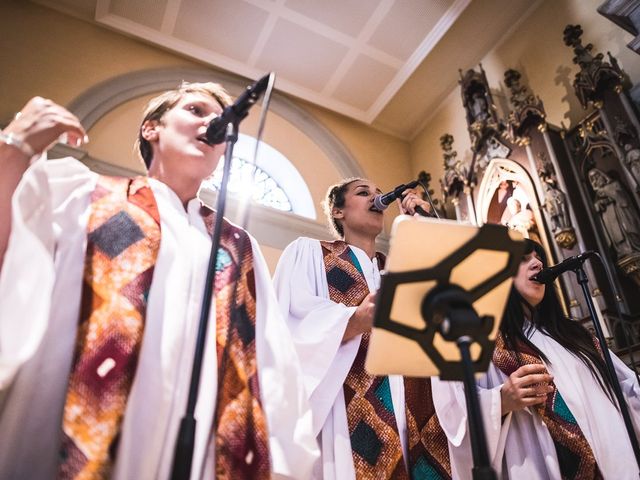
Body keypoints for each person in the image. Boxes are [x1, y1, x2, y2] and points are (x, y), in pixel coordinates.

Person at [0, 85, 318, 479]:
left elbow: (271, 363)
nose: (212, 121)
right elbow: (10, 267)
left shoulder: (238, 245)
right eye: (195, 109)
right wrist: (14, 148)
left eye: (218, 116)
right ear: (151, 129)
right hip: (73, 430)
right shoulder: (87, 194)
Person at [273, 178, 452, 479]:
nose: (376, 198)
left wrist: (423, 225)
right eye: (363, 192)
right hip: (344, 418)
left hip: (415, 415)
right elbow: (288, 324)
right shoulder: (310, 254)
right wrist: (353, 320)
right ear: (338, 211)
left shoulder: (401, 271)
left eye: (381, 194)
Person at [480, 239, 640, 478]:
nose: (537, 263)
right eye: (524, 259)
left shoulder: (576, 335)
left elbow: (629, 389)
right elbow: (459, 414)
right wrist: (500, 402)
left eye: (538, 257)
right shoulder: (493, 348)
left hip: (620, 464)